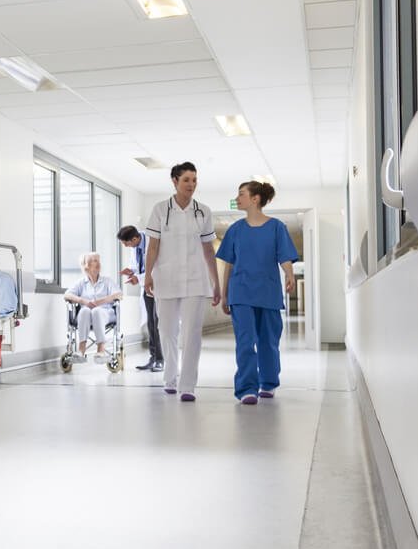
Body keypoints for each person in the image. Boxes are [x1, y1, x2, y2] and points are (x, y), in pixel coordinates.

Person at [144, 162, 221, 402]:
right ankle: (170, 377)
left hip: (196, 280)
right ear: (175, 181)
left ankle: (187, 385)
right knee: (166, 331)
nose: (191, 184)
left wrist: (216, 282)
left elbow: (208, 250)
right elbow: (153, 246)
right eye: (186, 180)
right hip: (165, 279)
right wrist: (147, 275)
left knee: (192, 333)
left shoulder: (203, 211)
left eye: (195, 180)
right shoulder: (159, 209)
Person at [216, 181, 298, 405]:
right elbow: (229, 265)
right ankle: (246, 388)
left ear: (255, 199)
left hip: (268, 292)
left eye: (241, 194)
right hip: (241, 292)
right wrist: (224, 294)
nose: (237, 198)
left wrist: (290, 274)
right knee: (245, 341)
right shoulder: (235, 230)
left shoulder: (276, 227)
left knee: (268, 341)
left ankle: (268, 383)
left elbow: (284, 256)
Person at [117, 225, 163, 372]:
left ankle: (160, 360)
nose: (126, 246)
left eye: (127, 243)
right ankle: (153, 357)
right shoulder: (135, 247)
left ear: (135, 238)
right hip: (147, 287)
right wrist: (132, 271)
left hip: (159, 286)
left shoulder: (153, 242)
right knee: (150, 323)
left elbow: (157, 267)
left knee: (157, 323)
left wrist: (139, 277)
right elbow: (140, 267)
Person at [64, 253, 122, 363]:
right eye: (94, 260)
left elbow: (119, 295)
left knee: (96, 311)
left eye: (98, 260)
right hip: (85, 317)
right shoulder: (81, 282)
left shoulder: (107, 281)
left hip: (105, 313)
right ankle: (81, 349)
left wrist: (100, 301)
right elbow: (67, 295)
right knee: (84, 310)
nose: (99, 263)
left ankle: (101, 349)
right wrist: (83, 301)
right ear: (86, 265)